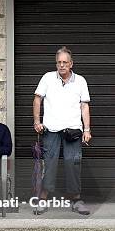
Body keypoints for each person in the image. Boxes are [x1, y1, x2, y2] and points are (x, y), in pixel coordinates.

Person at [33, 46, 92, 215]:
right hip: (51, 129)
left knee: (73, 164)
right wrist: (37, 121)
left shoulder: (80, 81)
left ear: (71, 64)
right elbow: (37, 99)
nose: (61, 65)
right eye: (59, 62)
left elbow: (84, 106)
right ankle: (42, 199)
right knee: (49, 164)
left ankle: (76, 200)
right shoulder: (48, 78)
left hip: (73, 130)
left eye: (65, 62)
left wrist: (87, 129)